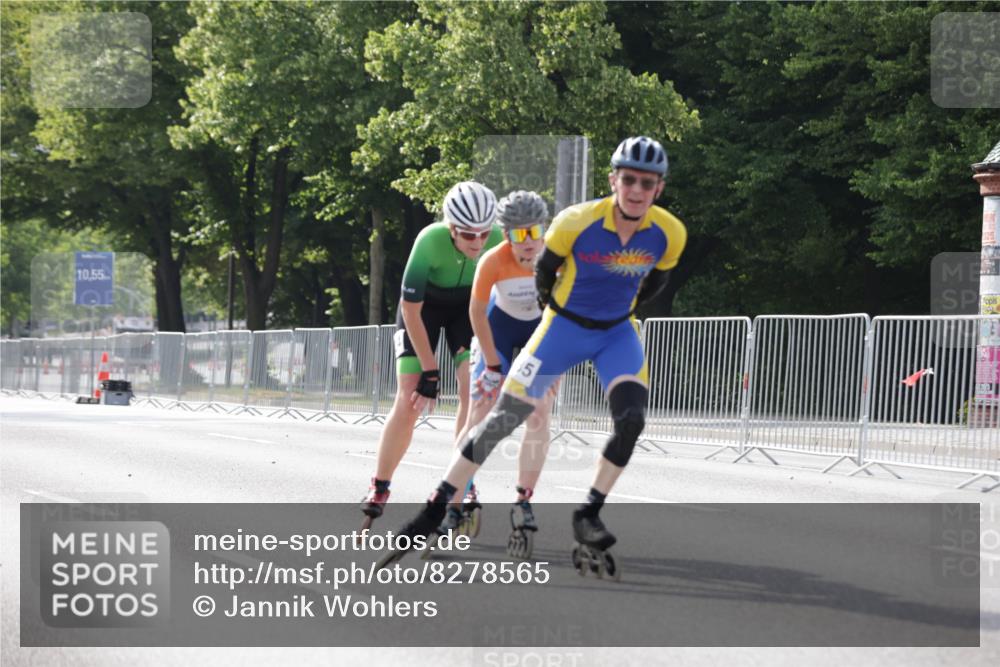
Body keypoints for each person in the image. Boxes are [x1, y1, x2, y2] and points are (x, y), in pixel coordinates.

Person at [381, 137, 687, 570]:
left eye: (648, 182)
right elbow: (532, 287)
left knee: (631, 420)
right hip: (558, 329)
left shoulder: (670, 232)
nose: (637, 190)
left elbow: (657, 281)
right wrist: (491, 360)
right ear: (613, 180)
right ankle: (436, 509)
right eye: (630, 179)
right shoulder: (573, 223)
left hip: (616, 333)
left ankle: (587, 512)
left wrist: (624, 311)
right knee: (498, 421)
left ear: (659, 188)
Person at [360, 181, 503, 529]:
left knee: (473, 389)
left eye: (484, 234)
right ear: (451, 227)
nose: (479, 243)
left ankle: (461, 483)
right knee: (410, 395)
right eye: (469, 235)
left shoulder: (499, 240)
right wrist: (430, 371)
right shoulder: (428, 241)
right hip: (424, 310)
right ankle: (380, 486)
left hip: (467, 310)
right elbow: (411, 311)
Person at [439, 190, 557, 538]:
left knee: (539, 411)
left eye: (535, 232)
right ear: (506, 235)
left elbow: (562, 313)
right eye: (520, 234)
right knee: (481, 410)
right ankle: (455, 501)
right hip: (498, 330)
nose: (529, 243)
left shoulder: (556, 257)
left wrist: (556, 364)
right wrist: (491, 366)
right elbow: (476, 312)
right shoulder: (493, 260)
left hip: (540, 334)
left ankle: (523, 499)